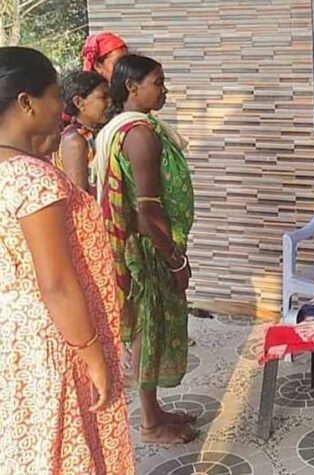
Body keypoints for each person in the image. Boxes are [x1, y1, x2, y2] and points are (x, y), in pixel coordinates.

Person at [0, 47, 134, 473]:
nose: (61, 108)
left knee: (33, 446)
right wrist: (93, 355)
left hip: (15, 334)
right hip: (56, 337)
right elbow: (56, 282)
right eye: (55, 95)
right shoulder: (31, 178)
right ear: (26, 102)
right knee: (68, 444)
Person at [96, 54, 197, 444]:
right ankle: (150, 424)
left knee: (149, 328)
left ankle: (154, 411)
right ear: (132, 87)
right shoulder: (139, 135)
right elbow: (147, 212)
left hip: (146, 245)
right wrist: (175, 260)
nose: (164, 90)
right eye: (157, 82)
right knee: (147, 330)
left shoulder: (130, 128)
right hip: (148, 250)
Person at [52, 71, 110, 195]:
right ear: (79, 103)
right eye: (104, 97)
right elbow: (78, 195)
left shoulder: (94, 134)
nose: (110, 102)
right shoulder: (75, 141)